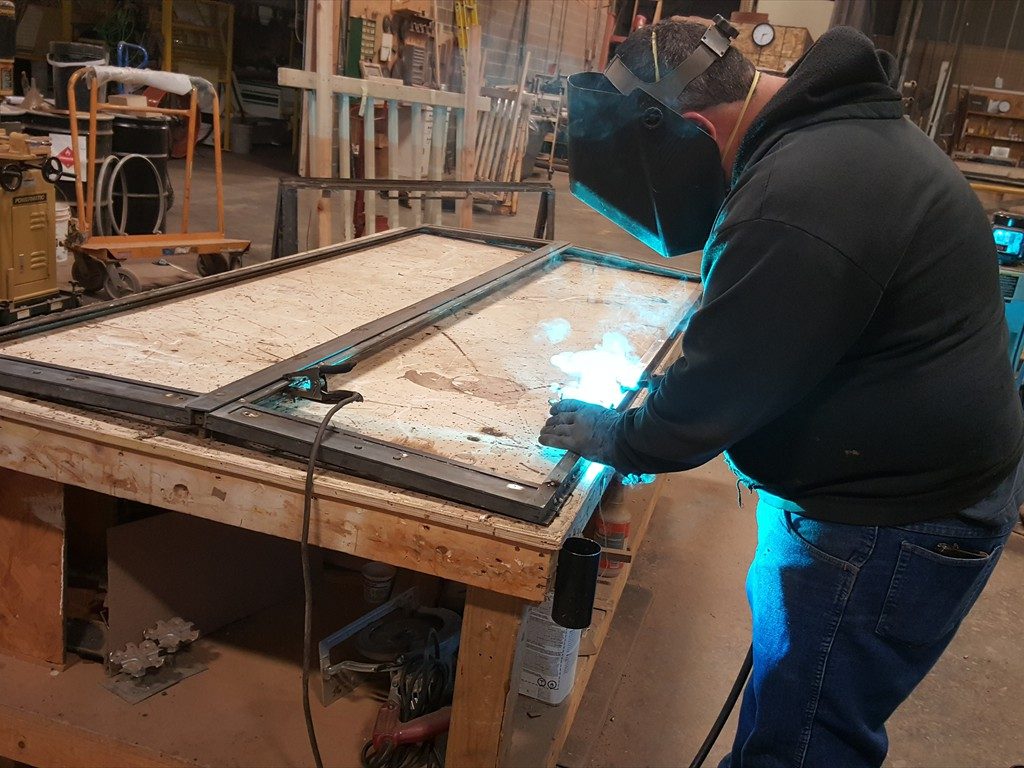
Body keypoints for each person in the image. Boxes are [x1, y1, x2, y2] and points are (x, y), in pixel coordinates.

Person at [540, 16, 1024, 768]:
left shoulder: (799, 190)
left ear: (696, 128)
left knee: (803, 747)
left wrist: (618, 435)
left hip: (890, 521)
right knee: (792, 712)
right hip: (903, 489)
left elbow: (713, 393)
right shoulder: (834, 136)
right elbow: (769, 338)